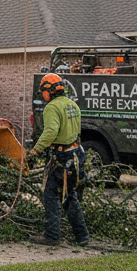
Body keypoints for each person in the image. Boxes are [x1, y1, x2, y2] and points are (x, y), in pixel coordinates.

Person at [28, 72, 91, 247]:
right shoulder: (72, 105)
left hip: (62, 157)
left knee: (50, 195)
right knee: (70, 196)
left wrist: (35, 151)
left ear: (48, 91)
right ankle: (82, 236)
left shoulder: (52, 108)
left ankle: (52, 235)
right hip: (76, 153)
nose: (43, 95)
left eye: (43, 92)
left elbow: (50, 132)